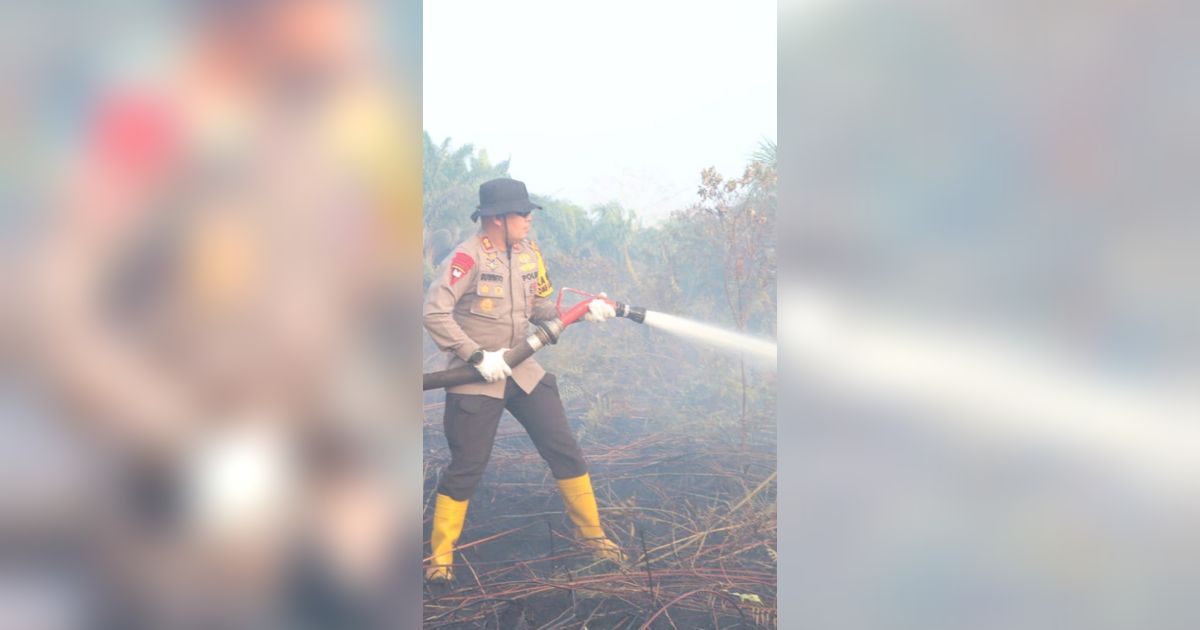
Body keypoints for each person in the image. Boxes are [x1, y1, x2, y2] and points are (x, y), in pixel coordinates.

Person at [422, 178, 625, 583]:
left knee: (564, 449)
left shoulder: (530, 254)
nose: (530, 219)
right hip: (476, 378)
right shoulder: (467, 258)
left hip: (524, 371)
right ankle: (440, 561)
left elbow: (542, 306)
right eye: (523, 213)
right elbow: (433, 313)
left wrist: (584, 311)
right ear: (497, 219)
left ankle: (594, 539)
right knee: (467, 466)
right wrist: (476, 355)